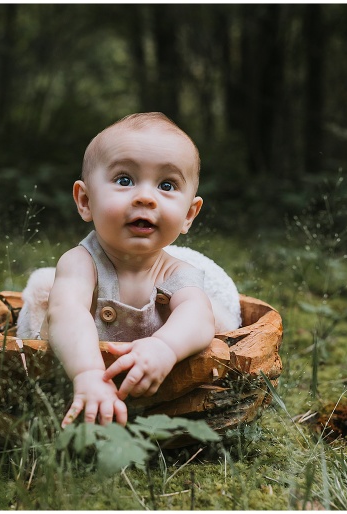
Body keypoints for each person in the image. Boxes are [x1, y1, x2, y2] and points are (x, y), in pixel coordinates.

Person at [39, 113, 229, 428]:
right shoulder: (80, 262)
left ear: (188, 215)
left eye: (166, 185)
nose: (145, 197)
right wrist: (87, 373)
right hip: (84, 375)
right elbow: (66, 312)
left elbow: (199, 317)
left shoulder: (178, 272)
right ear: (85, 201)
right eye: (124, 180)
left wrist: (164, 347)